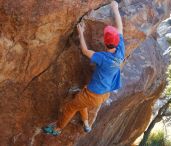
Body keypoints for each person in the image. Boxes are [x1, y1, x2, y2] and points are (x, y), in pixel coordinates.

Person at [42, 0, 125, 136]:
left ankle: (57, 129)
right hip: (105, 93)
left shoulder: (103, 58)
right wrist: (115, 8)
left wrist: (81, 33)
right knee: (79, 98)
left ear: (105, 42)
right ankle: (86, 124)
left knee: (70, 107)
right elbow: (120, 28)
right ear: (116, 41)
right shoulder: (120, 50)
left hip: (93, 95)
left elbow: (86, 51)